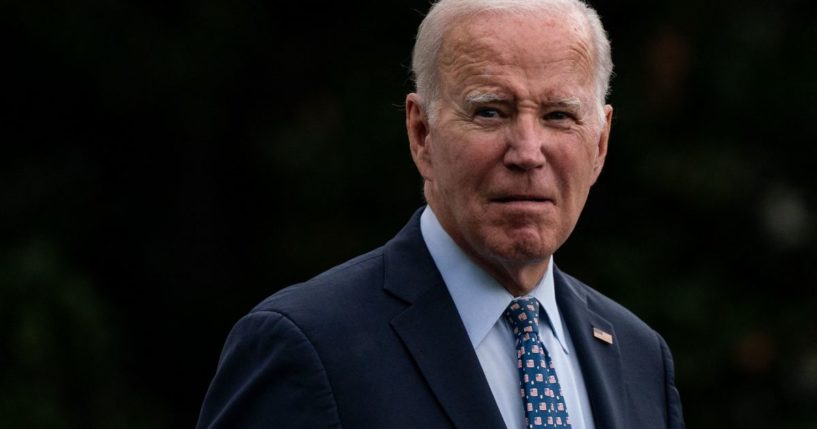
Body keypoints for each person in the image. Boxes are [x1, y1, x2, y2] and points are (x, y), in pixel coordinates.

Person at [196, 0, 685, 428]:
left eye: (559, 115)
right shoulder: (308, 347)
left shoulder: (639, 358)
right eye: (490, 111)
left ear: (599, 143)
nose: (528, 152)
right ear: (421, 134)